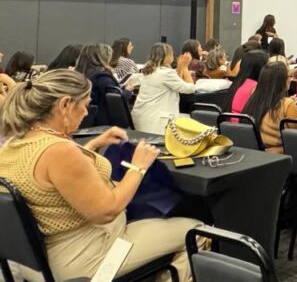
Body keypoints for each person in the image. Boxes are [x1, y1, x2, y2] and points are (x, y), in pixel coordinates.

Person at [0, 69, 200, 280]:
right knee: (195, 231)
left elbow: (56, 181)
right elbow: (107, 210)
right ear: (65, 105)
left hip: (37, 262)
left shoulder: (15, 144)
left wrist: (93, 145)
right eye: (84, 106)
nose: (87, 113)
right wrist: (138, 167)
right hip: (87, 257)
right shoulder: (58, 151)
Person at [132, 43, 198, 133]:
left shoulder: (148, 70)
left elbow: (174, 83)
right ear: (166, 56)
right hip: (157, 124)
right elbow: (190, 89)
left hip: (141, 118)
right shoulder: (166, 73)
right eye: (171, 54)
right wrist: (185, 68)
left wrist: (179, 68)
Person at [241, 62, 297, 154]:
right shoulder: (287, 104)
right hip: (280, 157)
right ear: (281, 80)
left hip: (254, 153)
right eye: (289, 76)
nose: (290, 79)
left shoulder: (254, 99)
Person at [76, 44, 130, 127]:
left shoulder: (78, 75)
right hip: (102, 125)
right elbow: (117, 102)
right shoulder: (102, 77)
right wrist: (127, 91)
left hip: (82, 122)